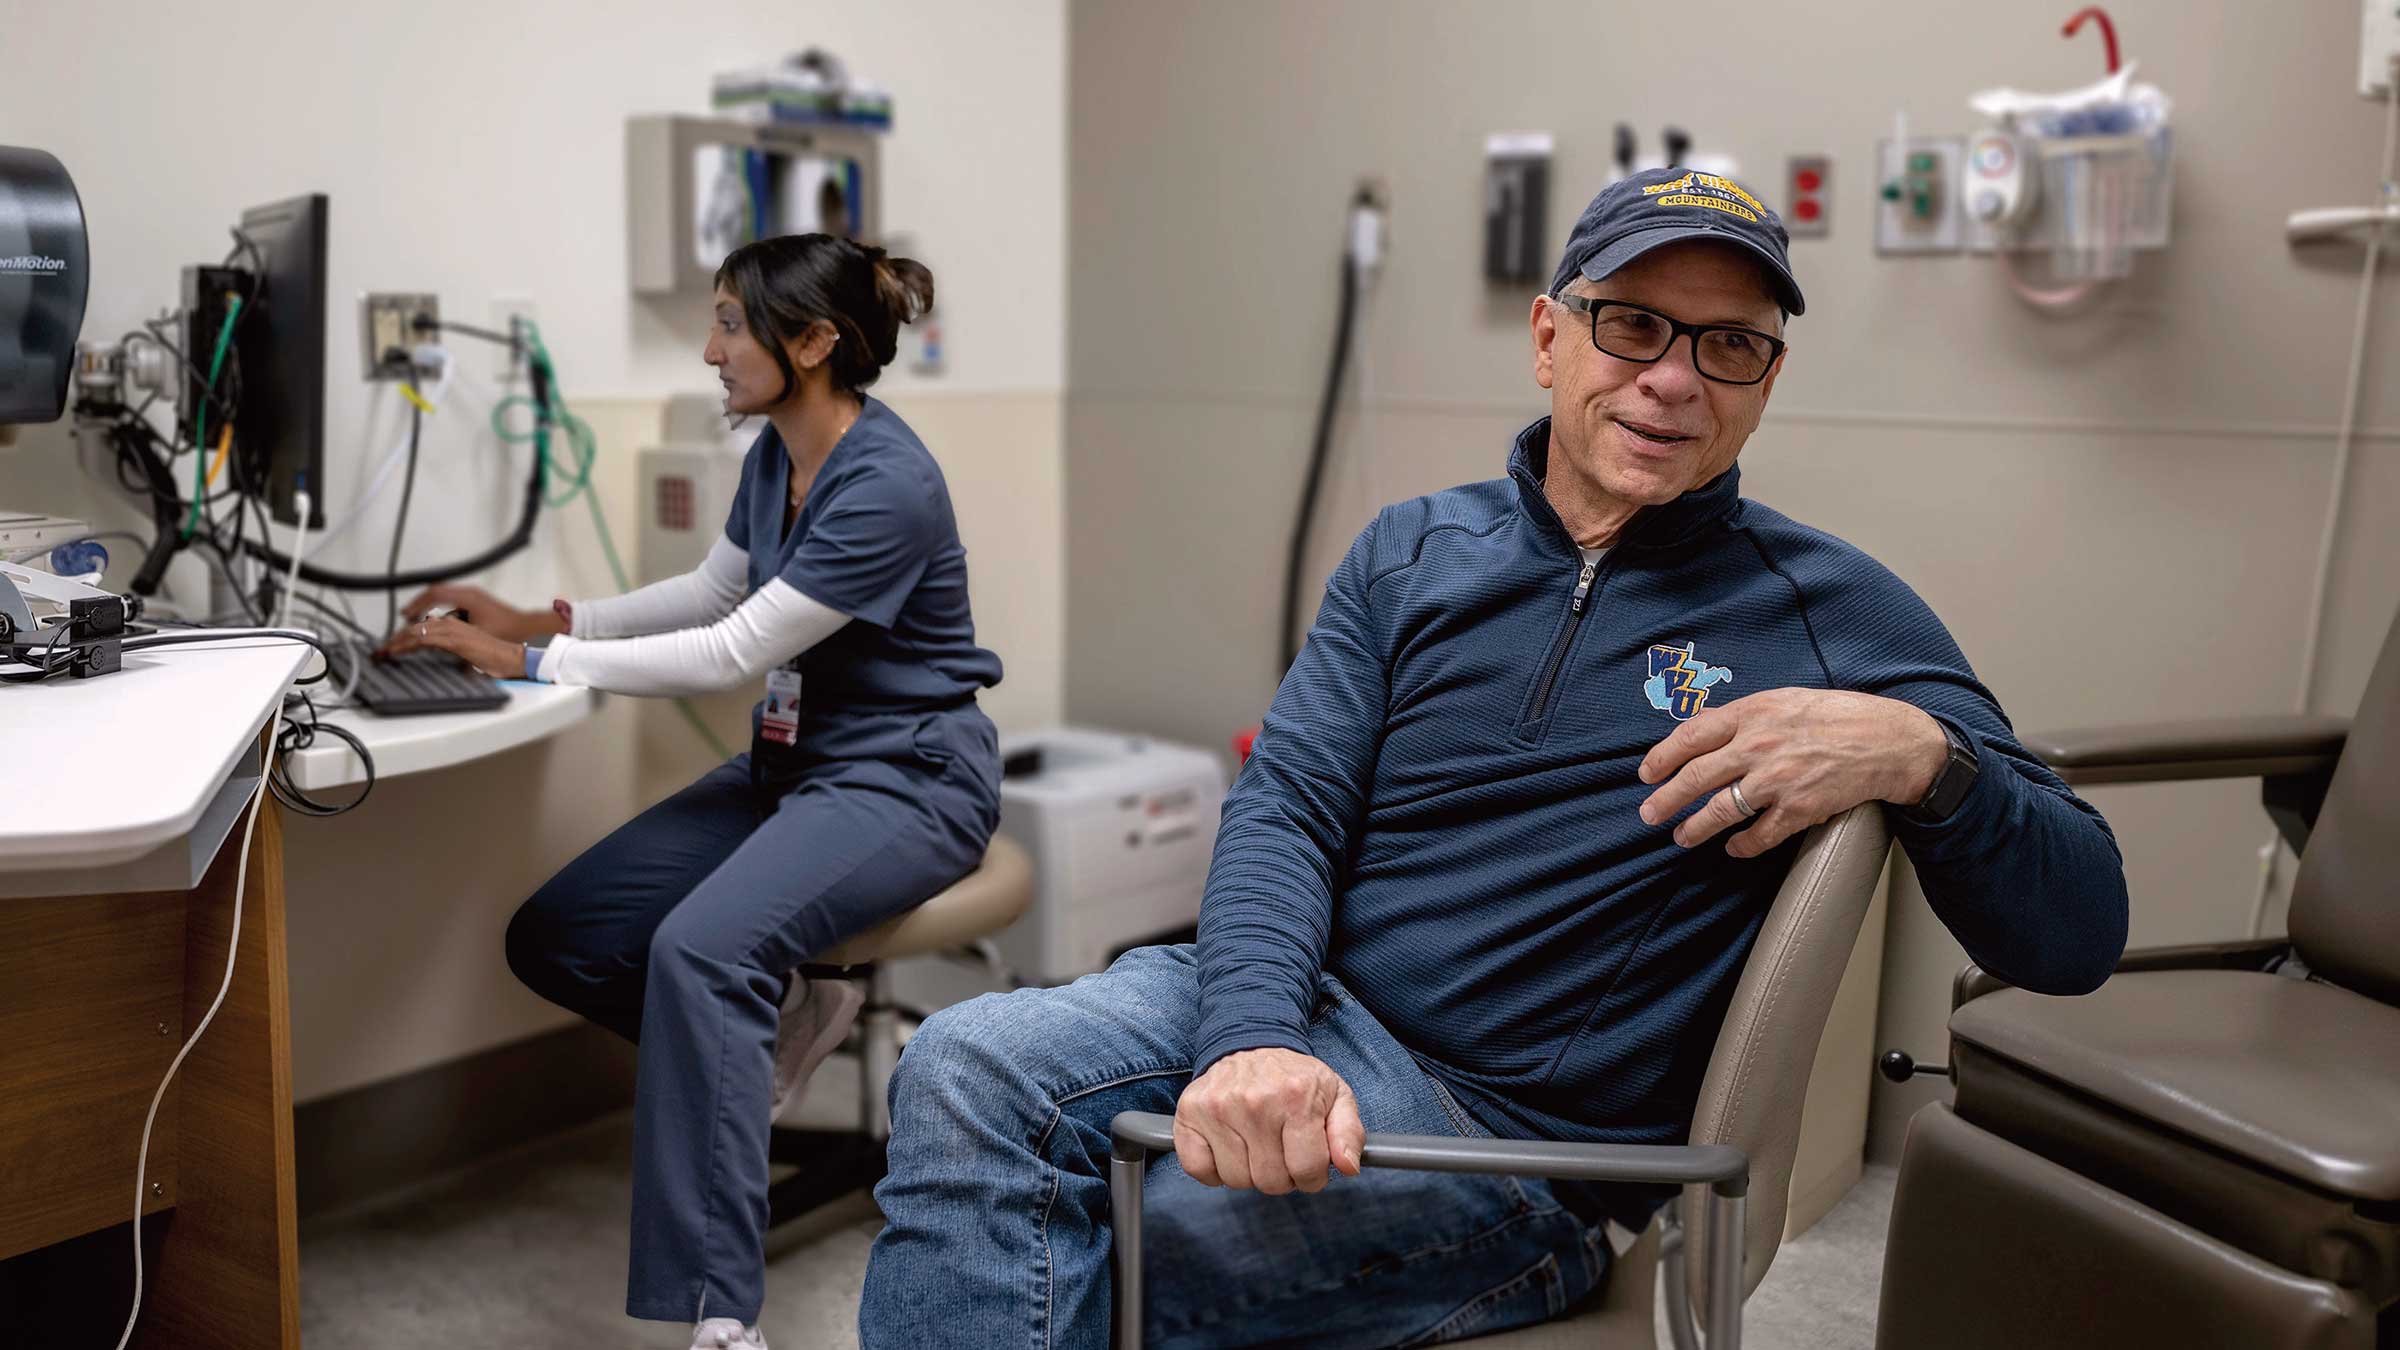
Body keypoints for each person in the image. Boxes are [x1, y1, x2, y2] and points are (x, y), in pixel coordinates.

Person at [858, 168, 2129, 1350]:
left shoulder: (1831, 611)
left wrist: (1924, 756)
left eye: (1729, 344)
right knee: (963, 1068)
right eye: (1632, 324)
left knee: (1087, 1244)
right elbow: (1286, 811)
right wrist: (1255, 1036)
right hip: (1302, 1003)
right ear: (1548, 339)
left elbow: (2076, 931)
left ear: (1766, 381)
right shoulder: (1411, 553)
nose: (1675, 380)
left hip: (1499, 1145)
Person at [389, 233, 1003, 1350]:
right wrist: (545, 619)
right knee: (563, 934)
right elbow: (717, 588)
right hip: (798, 762)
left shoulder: (890, 485)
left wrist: (529, 667)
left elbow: (732, 651)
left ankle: (724, 1321)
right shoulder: (777, 452)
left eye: (731, 323)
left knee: (704, 950)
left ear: (812, 343)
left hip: (909, 775)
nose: (712, 349)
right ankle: (790, 1016)